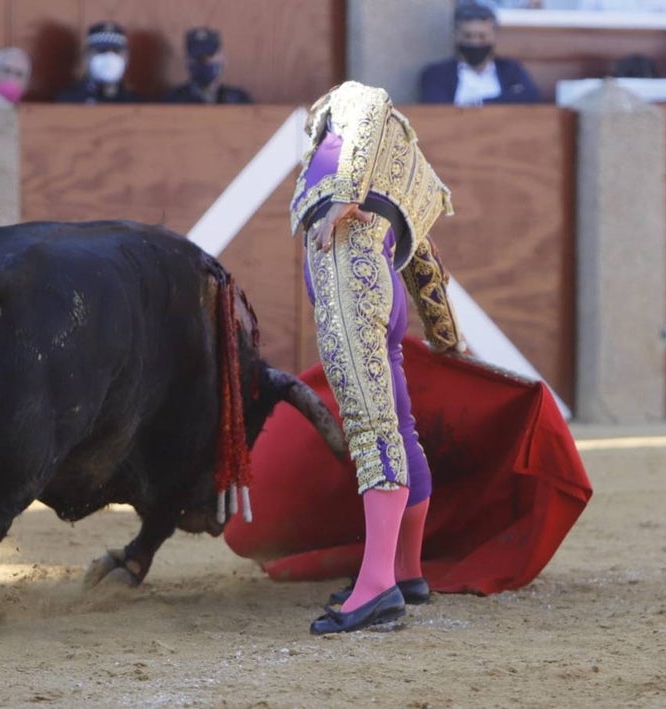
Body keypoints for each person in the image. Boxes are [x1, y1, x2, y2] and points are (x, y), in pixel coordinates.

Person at [291, 81, 468, 635]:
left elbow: (368, 103)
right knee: (399, 427)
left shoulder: (347, 107)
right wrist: (445, 333)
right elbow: (423, 260)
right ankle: (405, 571)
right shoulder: (409, 169)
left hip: (350, 274)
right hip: (383, 280)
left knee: (372, 429)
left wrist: (344, 192)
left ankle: (376, 588)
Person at [419, 3, 540, 105]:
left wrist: (477, 105)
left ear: (494, 36)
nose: (474, 42)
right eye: (468, 36)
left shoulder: (511, 70)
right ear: (455, 35)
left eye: (482, 36)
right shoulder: (436, 74)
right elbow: (435, 110)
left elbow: (529, 97)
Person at [55, 21, 143, 104]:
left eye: (116, 51)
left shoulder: (136, 102)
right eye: (102, 51)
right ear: (87, 56)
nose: (109, 57)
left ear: (126, 58)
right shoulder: (70, 100)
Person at [160, 27, 252, 104]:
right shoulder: (173, 100)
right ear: (186, 61)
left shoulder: (239, 99)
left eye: (209, 57)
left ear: (223, 58)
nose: (204, 62)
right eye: (198, 58)